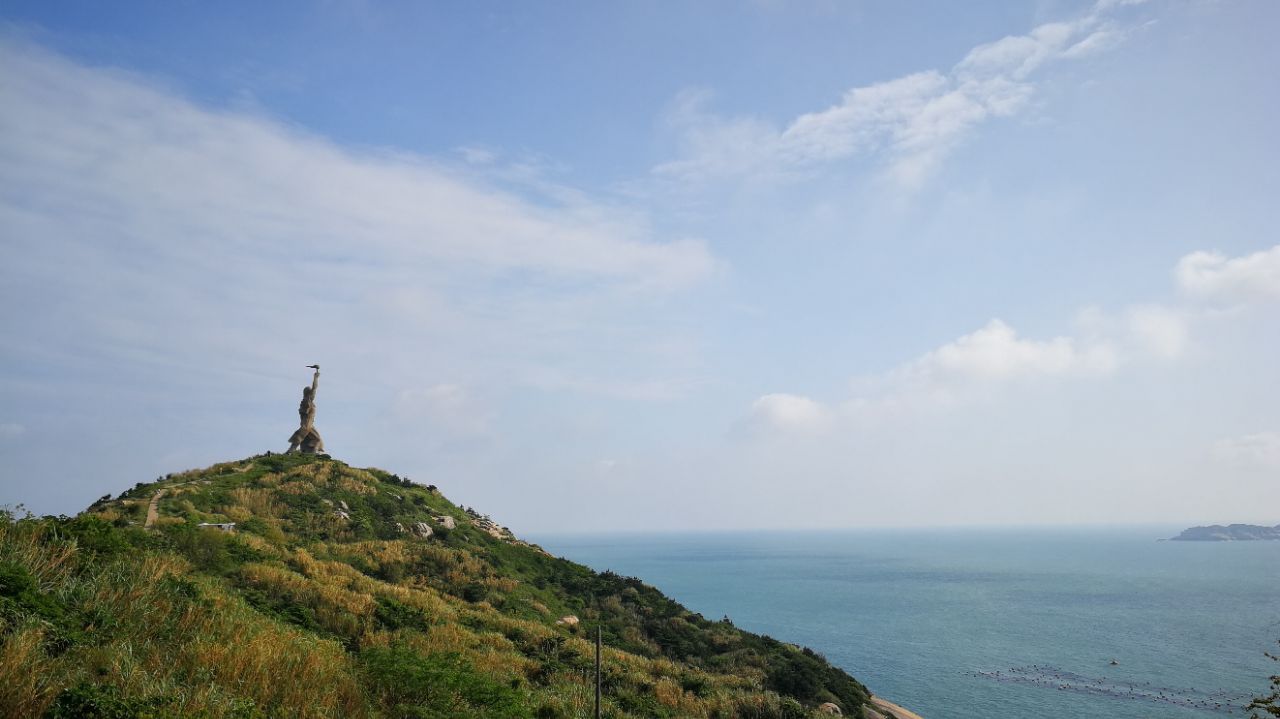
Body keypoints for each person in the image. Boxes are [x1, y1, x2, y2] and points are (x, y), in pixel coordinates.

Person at [286, 365, 325, 454]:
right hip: (306, 425)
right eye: (310, 392)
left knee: (317, 440)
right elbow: (315, 388)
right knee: (300, 438)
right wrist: (315, 378)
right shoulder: (307, 401)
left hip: (309, 425)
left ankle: (311, 453)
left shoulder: (307, 402)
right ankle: (291, 451)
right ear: (308, 393)